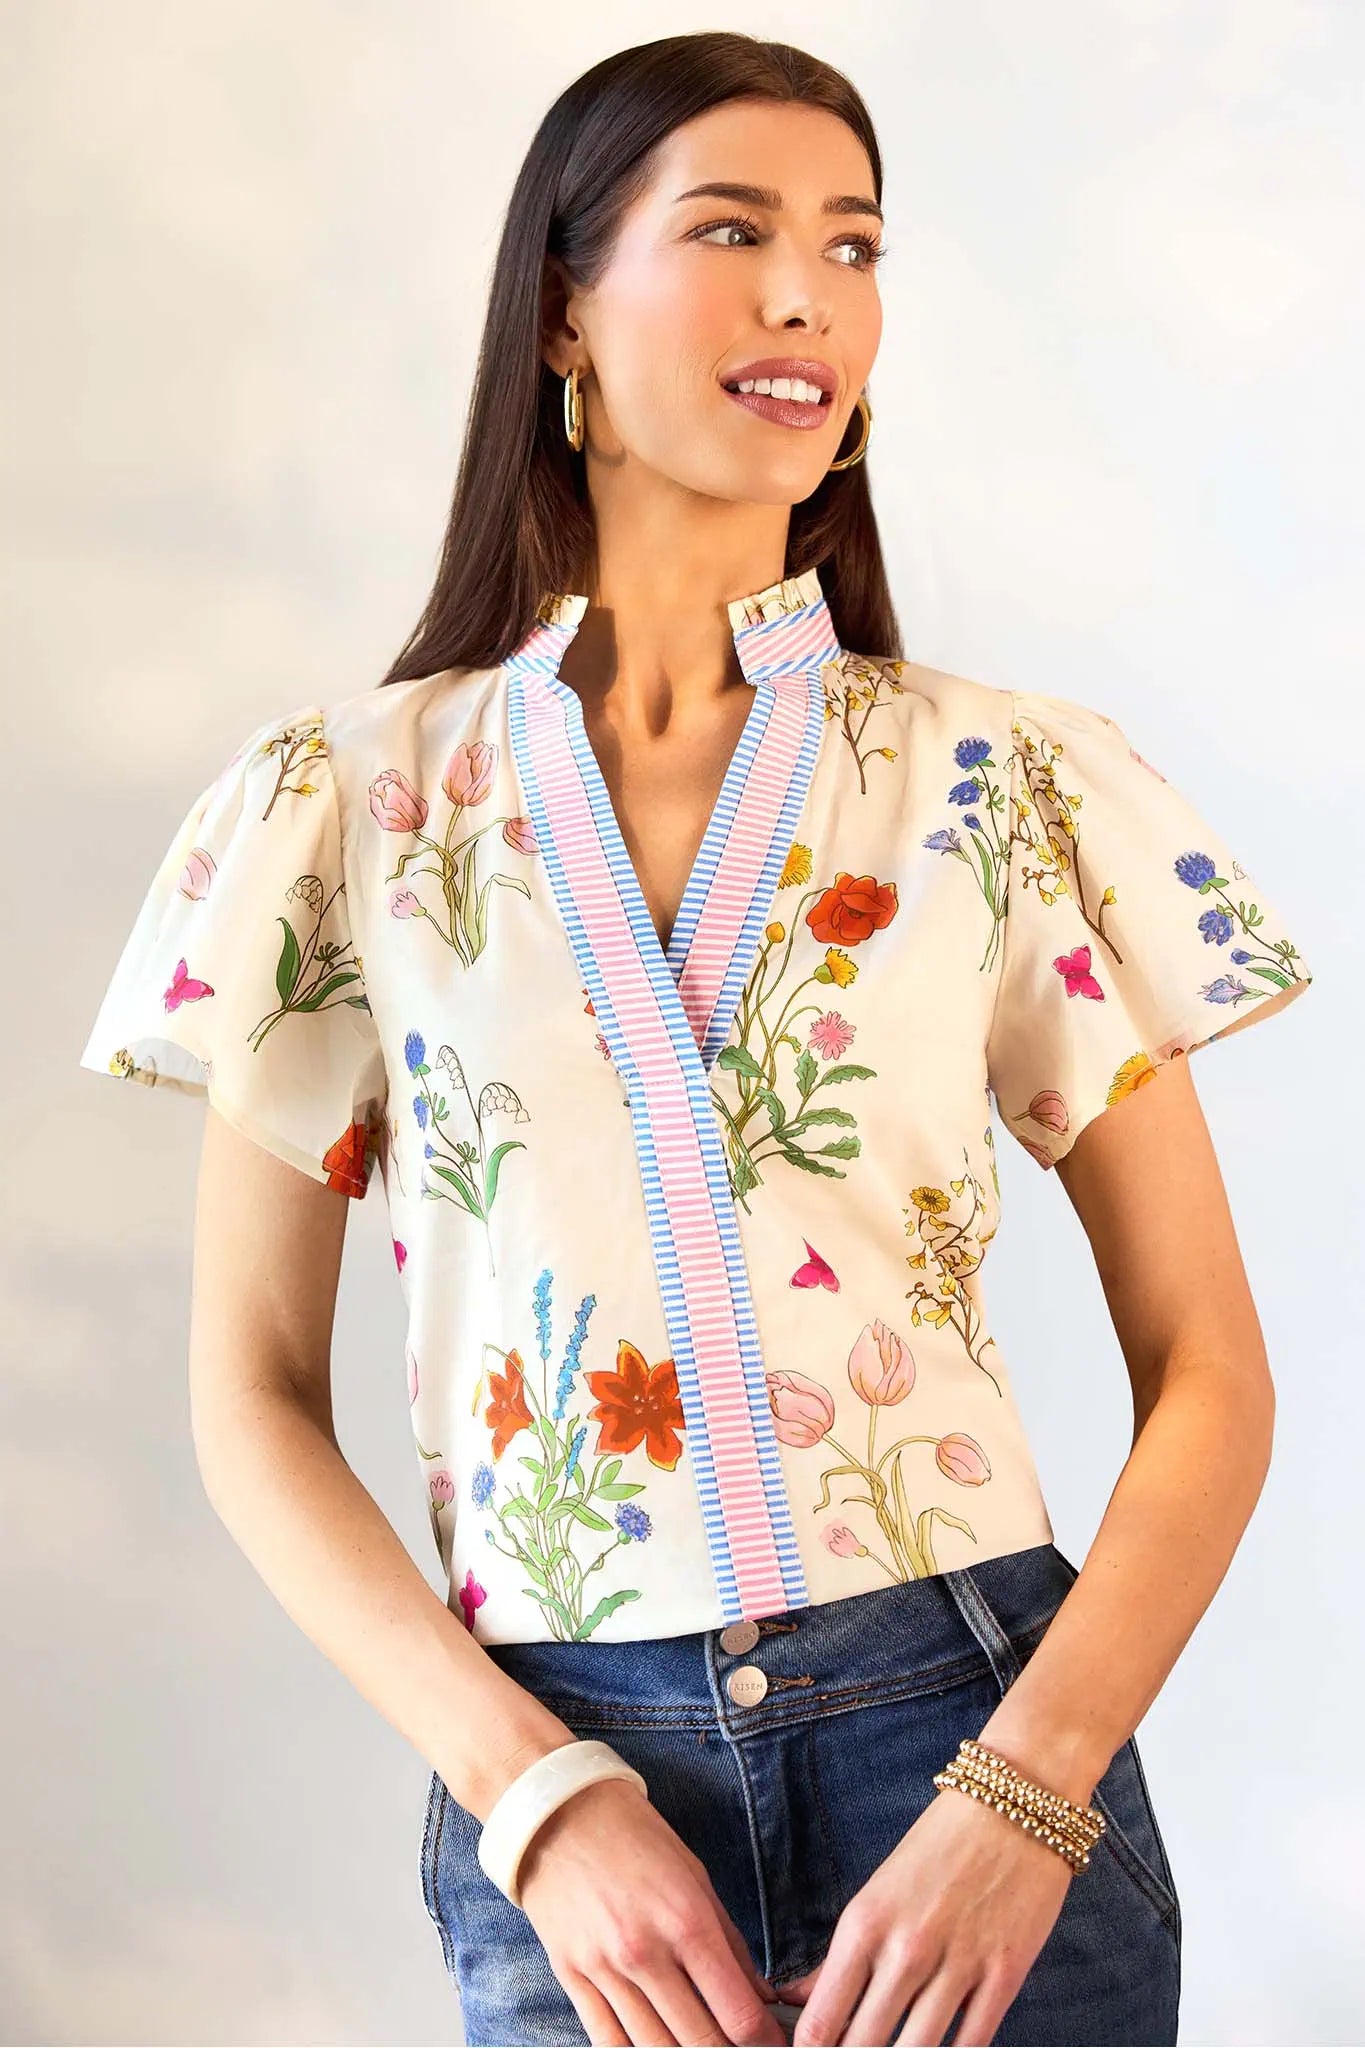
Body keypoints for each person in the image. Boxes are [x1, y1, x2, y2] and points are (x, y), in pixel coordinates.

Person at [78, 32, 1313, 2048]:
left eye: (852, 244)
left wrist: (1027, 1784)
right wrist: (534, 1791)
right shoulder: (338, 807)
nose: (804, 294)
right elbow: (249, 1398)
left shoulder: (1004, 786)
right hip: (567, 1778)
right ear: (562, 303)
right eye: (728, 230)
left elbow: (1208, 1370)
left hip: (978, 1728)